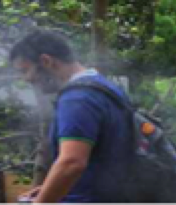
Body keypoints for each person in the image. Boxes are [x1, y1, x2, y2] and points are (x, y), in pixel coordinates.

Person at [10, 30, 134, 203]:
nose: (26, 79)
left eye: (25, 70)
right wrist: (49, 189)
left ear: (46, 61)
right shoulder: (104, 87)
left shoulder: (77, 98)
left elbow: (72, 163)